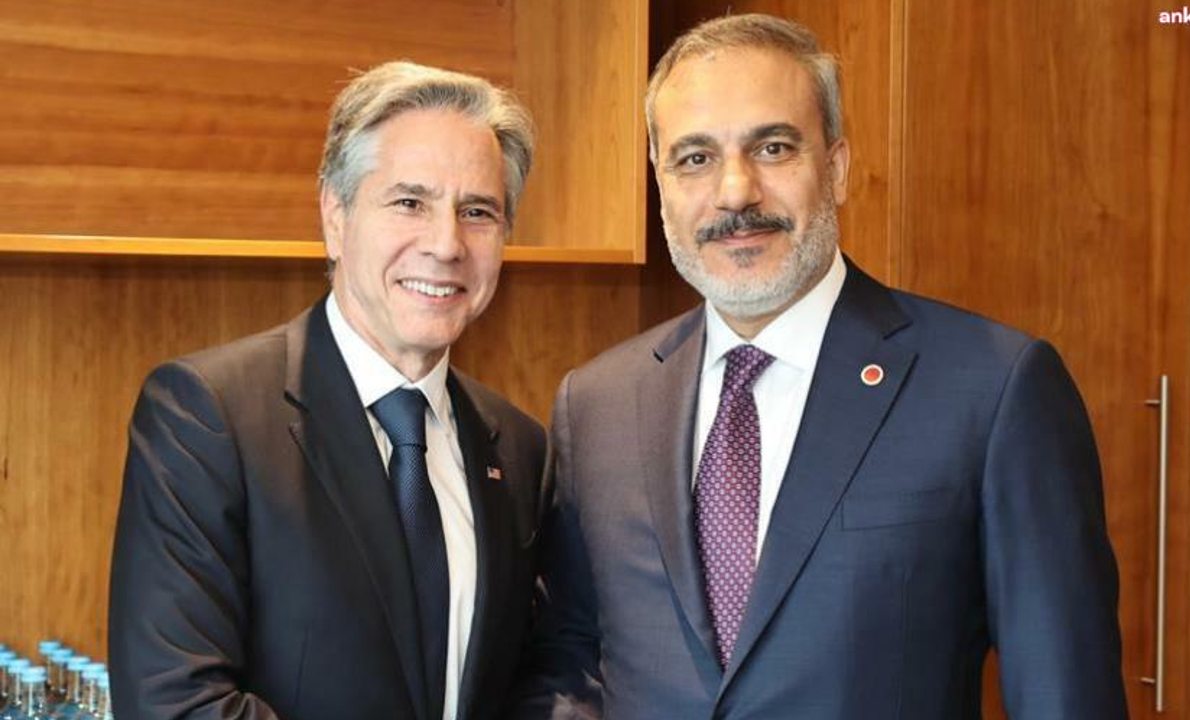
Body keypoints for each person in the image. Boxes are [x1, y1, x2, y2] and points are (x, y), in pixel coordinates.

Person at [514, 14, 1128, 719]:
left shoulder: (992, 389)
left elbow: (1063, 694)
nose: (735, 193)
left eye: (772, 148)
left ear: (835, 168)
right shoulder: (597, 405)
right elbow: (570, 666)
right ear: (660, 182)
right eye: (695, 158)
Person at [109, 61, 545, 720]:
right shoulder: (207, 416)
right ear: (335, 216)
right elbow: (175, 703)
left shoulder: (520, 449)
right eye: (409, 202)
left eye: (477, 211)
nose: (446, 244)